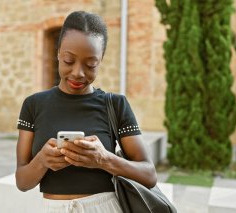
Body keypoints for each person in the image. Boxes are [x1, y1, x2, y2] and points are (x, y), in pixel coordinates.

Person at [15, 10, 157, 213]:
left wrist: (104, 160)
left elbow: (149, 175)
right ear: (58, 53)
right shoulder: (33, 105)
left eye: (91, 65)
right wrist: (41, 161)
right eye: (68, 61)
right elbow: (22, 181)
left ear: (100, 60)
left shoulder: (115, 105)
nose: (78, 73)